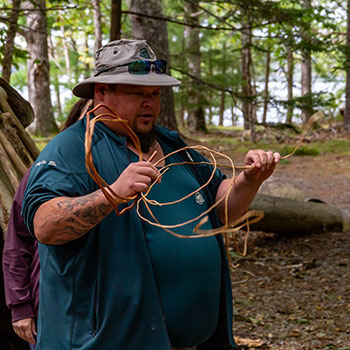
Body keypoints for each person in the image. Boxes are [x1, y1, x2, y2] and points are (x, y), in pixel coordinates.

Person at [22, 39, 280, 350]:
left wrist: (249, 181)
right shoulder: (72, 149)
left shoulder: (173, 145)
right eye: (137, 93)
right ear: (101, 92)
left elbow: (220, 210)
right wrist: (113, 194)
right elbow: (44, 225)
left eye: (155, 94)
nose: (150, 103)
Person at [2, 98, 92, 350]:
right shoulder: (42, 174)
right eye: (88, 118)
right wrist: (20, 306)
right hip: (52, 312)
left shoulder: (129, 173)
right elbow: (17, 242)